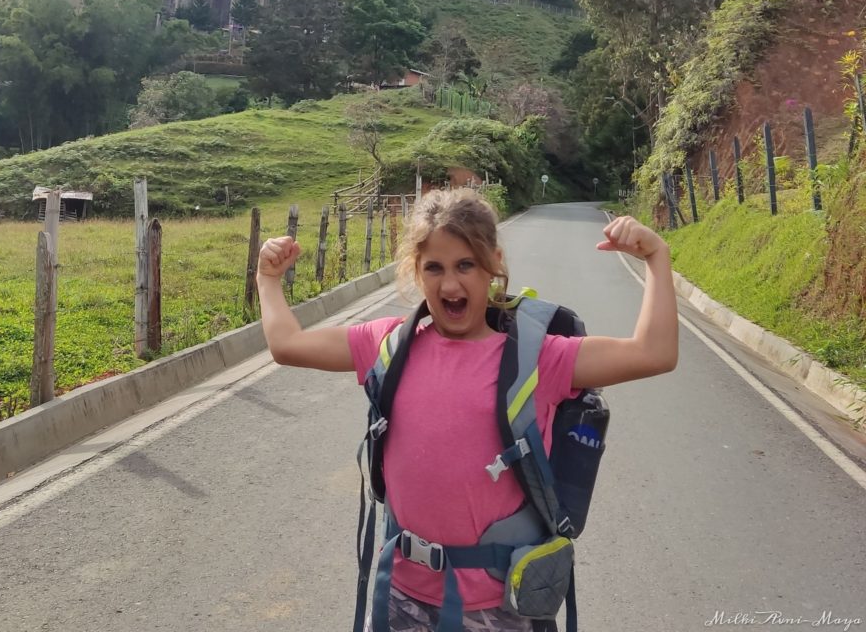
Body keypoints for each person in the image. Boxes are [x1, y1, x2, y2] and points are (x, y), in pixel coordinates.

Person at [256, 188, 678, 632]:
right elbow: (287, 345)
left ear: (493, 265)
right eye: (434, 268)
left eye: (466, 265)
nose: (450, 285)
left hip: (498, 608)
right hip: (400, 596)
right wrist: (268, 279)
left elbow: (654, 353)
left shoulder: (541, 357)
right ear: (415, 271)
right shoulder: (387, 344)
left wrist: (657, 257)